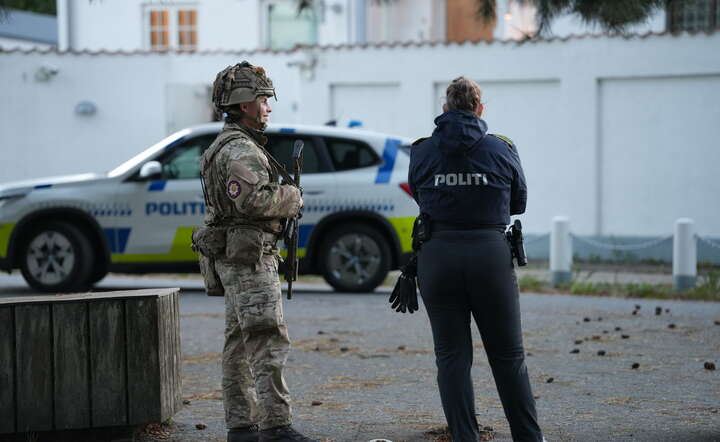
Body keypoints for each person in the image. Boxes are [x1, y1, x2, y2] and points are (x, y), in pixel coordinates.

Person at [408, 77, 544, 442]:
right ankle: (529, 438)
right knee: (509, 357)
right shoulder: (502, 149)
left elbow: (420, 198)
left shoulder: (421, 151)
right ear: (480, 110)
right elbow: (519, 203)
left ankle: (465, 437)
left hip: (437, 257)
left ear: (445, 109)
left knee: (451, 357)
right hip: (490, 258)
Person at [194, 61, 316, 442]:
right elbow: (253, 202)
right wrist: (292, 197)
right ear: (244, 103)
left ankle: (242, 425)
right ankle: (276, 426)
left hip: (234, 258)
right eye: (263, 99)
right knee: (266, 338)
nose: (268, 106)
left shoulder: (221, 147)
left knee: (238, 342)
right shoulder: (241, 151)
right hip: (250, 260)